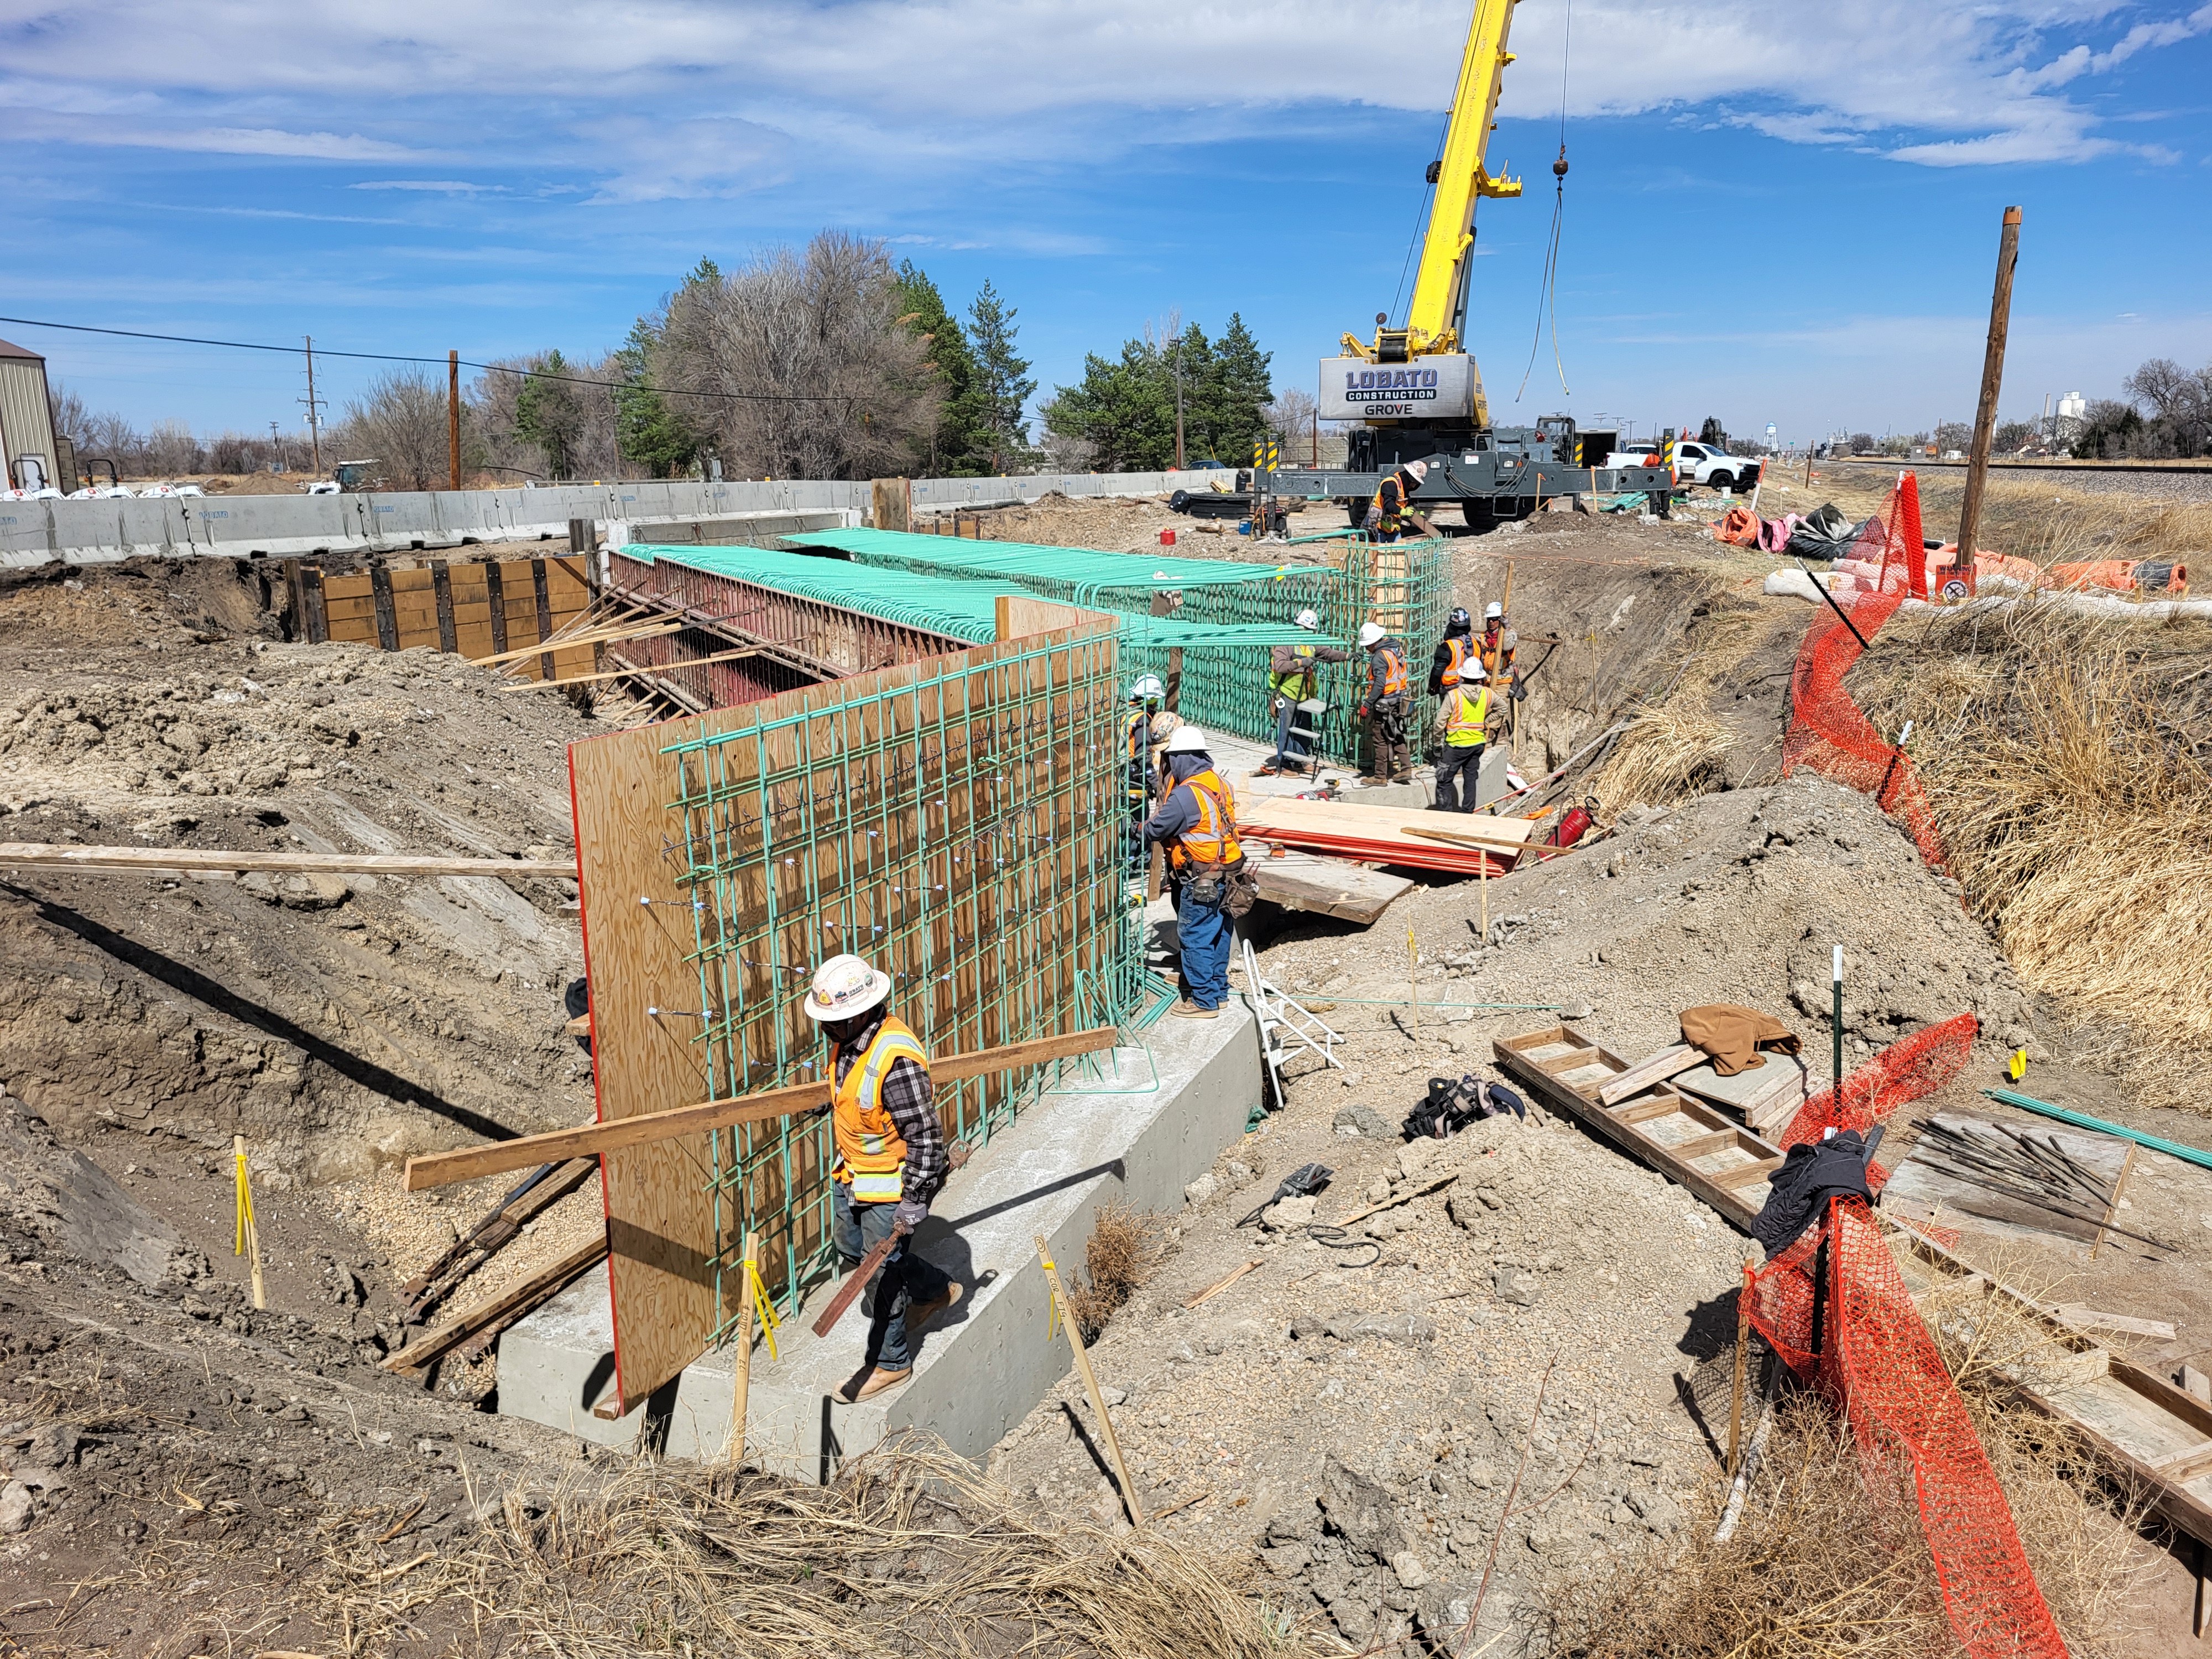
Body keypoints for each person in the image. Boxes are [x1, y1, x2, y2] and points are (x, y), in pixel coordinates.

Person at [804, 954, 962, 1402]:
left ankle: (891, 1363)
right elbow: (861, 1096)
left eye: (834, 1022)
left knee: (881, 1276)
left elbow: (927, 1137)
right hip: (855, 1176)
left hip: (891, 1185)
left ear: (862, 1013)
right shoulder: (849, 1042)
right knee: (851, 1250)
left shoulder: (895, 1060)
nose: (826, 1029)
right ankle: (936, 1290)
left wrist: (916, 1199)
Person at [1144, 726, 1244, 1019]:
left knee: (1196, 936)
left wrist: (1134, 829)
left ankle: (1203, 1002)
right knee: (1219, 934)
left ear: (1182, 758)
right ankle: (1218, 992)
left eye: (1172, 758)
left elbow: (1156, 829)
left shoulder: (1186, 795)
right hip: (1228, 873)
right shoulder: (1217, 782)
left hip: (1202, 877)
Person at [1261, 609, 1349, 777]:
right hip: (1287, 692)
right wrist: (1300, 662)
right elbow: (1280, 666)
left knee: (1303, 728)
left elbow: (1327, 653)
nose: (1306, 633)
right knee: (1287, 729)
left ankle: (1301, 761)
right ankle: (1283, 764)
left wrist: (1347, 655)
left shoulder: (1310, 642)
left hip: (1305, 693)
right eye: (1304, 629)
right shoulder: (1285, 643)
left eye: (1309, 631)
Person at [1430, 661, 1503, 812]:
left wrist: (1437, 743)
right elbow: (1502, 708)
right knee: (1470, 779)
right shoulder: (1487, 693)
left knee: (1444, 780)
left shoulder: (1454, 695)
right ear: (1479, 678)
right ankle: (1467, 813)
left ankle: (1447, 815)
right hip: (1477, 745)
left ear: (1462, 677)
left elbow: (1439, 724)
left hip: (1456, 745)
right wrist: (1485, 721)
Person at [1355, 620, 1414, 784]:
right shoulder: (1396, 649)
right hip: (1399, 700)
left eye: (1367, 645)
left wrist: (1367, 704)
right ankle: (1406, 769)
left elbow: (1380, 684)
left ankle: (1380, 776)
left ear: (1374, 642)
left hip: (1384, 703)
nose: (1366, 649)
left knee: (1380, 739)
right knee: (1396, 734)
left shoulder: (1379, 657)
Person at [1123, 674, 1166, 873]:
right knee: (1139, 823)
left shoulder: (1127, 713)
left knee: (1128, 820)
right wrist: (1155, 784)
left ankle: (1132, 862)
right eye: (1155, 700)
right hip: (1135, 780)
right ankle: (1135, 864)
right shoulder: (1142, 720)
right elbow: (1143, 756)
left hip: (1123, 775)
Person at [1366, 458, 1437, 543]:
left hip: (1392, 529)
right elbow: (1389, 505)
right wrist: (1402, 511)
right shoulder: (1390, 484)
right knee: (1377, 554)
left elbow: (1402, 507)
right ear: (1409, 478)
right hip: (1377, 529)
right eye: (1414, 482)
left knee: (1397, 554)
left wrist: (1414, 514)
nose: (1414, 485)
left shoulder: (1404, 489)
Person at [1428, 606, 1475, 696]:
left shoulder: (1448, 646)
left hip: (1452, 692)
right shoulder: (1476, 643)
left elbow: (1438, 671)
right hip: (1472, 691)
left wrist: (1433, 686)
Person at [1476, 601, 1517, 685]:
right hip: (1487, 680)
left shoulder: (1509, 635)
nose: (1491, 622)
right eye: (1489, 619)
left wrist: (1507, 627)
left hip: (1503, 682)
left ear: (1500, 620)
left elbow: (1506, 646)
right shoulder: (1483, 637)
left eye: (1494, 619)